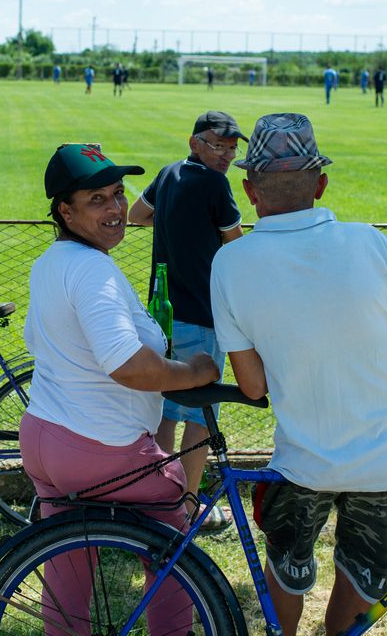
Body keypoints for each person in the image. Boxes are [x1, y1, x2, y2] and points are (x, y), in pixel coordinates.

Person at [210, 113, 387, 636]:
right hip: (386, 456)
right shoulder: (374, 244)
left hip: (303, 459)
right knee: (363, 572)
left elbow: (252, 385)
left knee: (287, 567)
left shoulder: (231, 263)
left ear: (249, 190)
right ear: (321, 183)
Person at [21, 143, 221, 635]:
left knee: (68, 568)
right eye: (96, 200)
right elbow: (129, 366)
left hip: (45, 437)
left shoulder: (54, 260)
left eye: (117, 194)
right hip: (101, 447)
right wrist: (195, 371)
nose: (115, 209)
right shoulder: (93, 271)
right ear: (65, 211)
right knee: (175, 544)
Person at [128, 112, 246, 533]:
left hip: (162, 316)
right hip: (204, 315)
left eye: (232, 148)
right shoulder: (216, 184)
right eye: (218, 145)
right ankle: (188, 506)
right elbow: (236, 246)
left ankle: (155, 501)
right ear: (194, 142)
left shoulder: (168, 174)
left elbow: (136, 216)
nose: (227, 155)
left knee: (165, 411)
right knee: (200, 416)